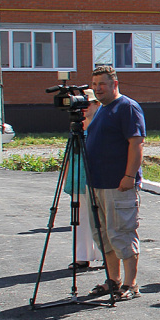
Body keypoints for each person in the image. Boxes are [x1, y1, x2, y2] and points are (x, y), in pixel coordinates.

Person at [85, 64, 145, 300]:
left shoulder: (127, 107)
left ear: (114, 84)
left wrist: (129, 176)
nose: (98, 89)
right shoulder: (101, 109)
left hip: (118, 184)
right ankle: (113, 280)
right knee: (103, 234)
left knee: (122, 232)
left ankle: (131, 284)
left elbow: (136, 143)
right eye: (94, 84)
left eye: (102, 84)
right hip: (96, 184)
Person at [64, 89, 102, 270]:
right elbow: (70, 155)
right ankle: (81, 256)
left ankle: (105, 255)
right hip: (78, 179)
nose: (84, 109)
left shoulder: (101, 126)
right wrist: (67, 180)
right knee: (79, 219)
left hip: (97, 178)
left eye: (88, 104)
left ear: (97, 104)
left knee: (101, 219)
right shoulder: (76, 128)